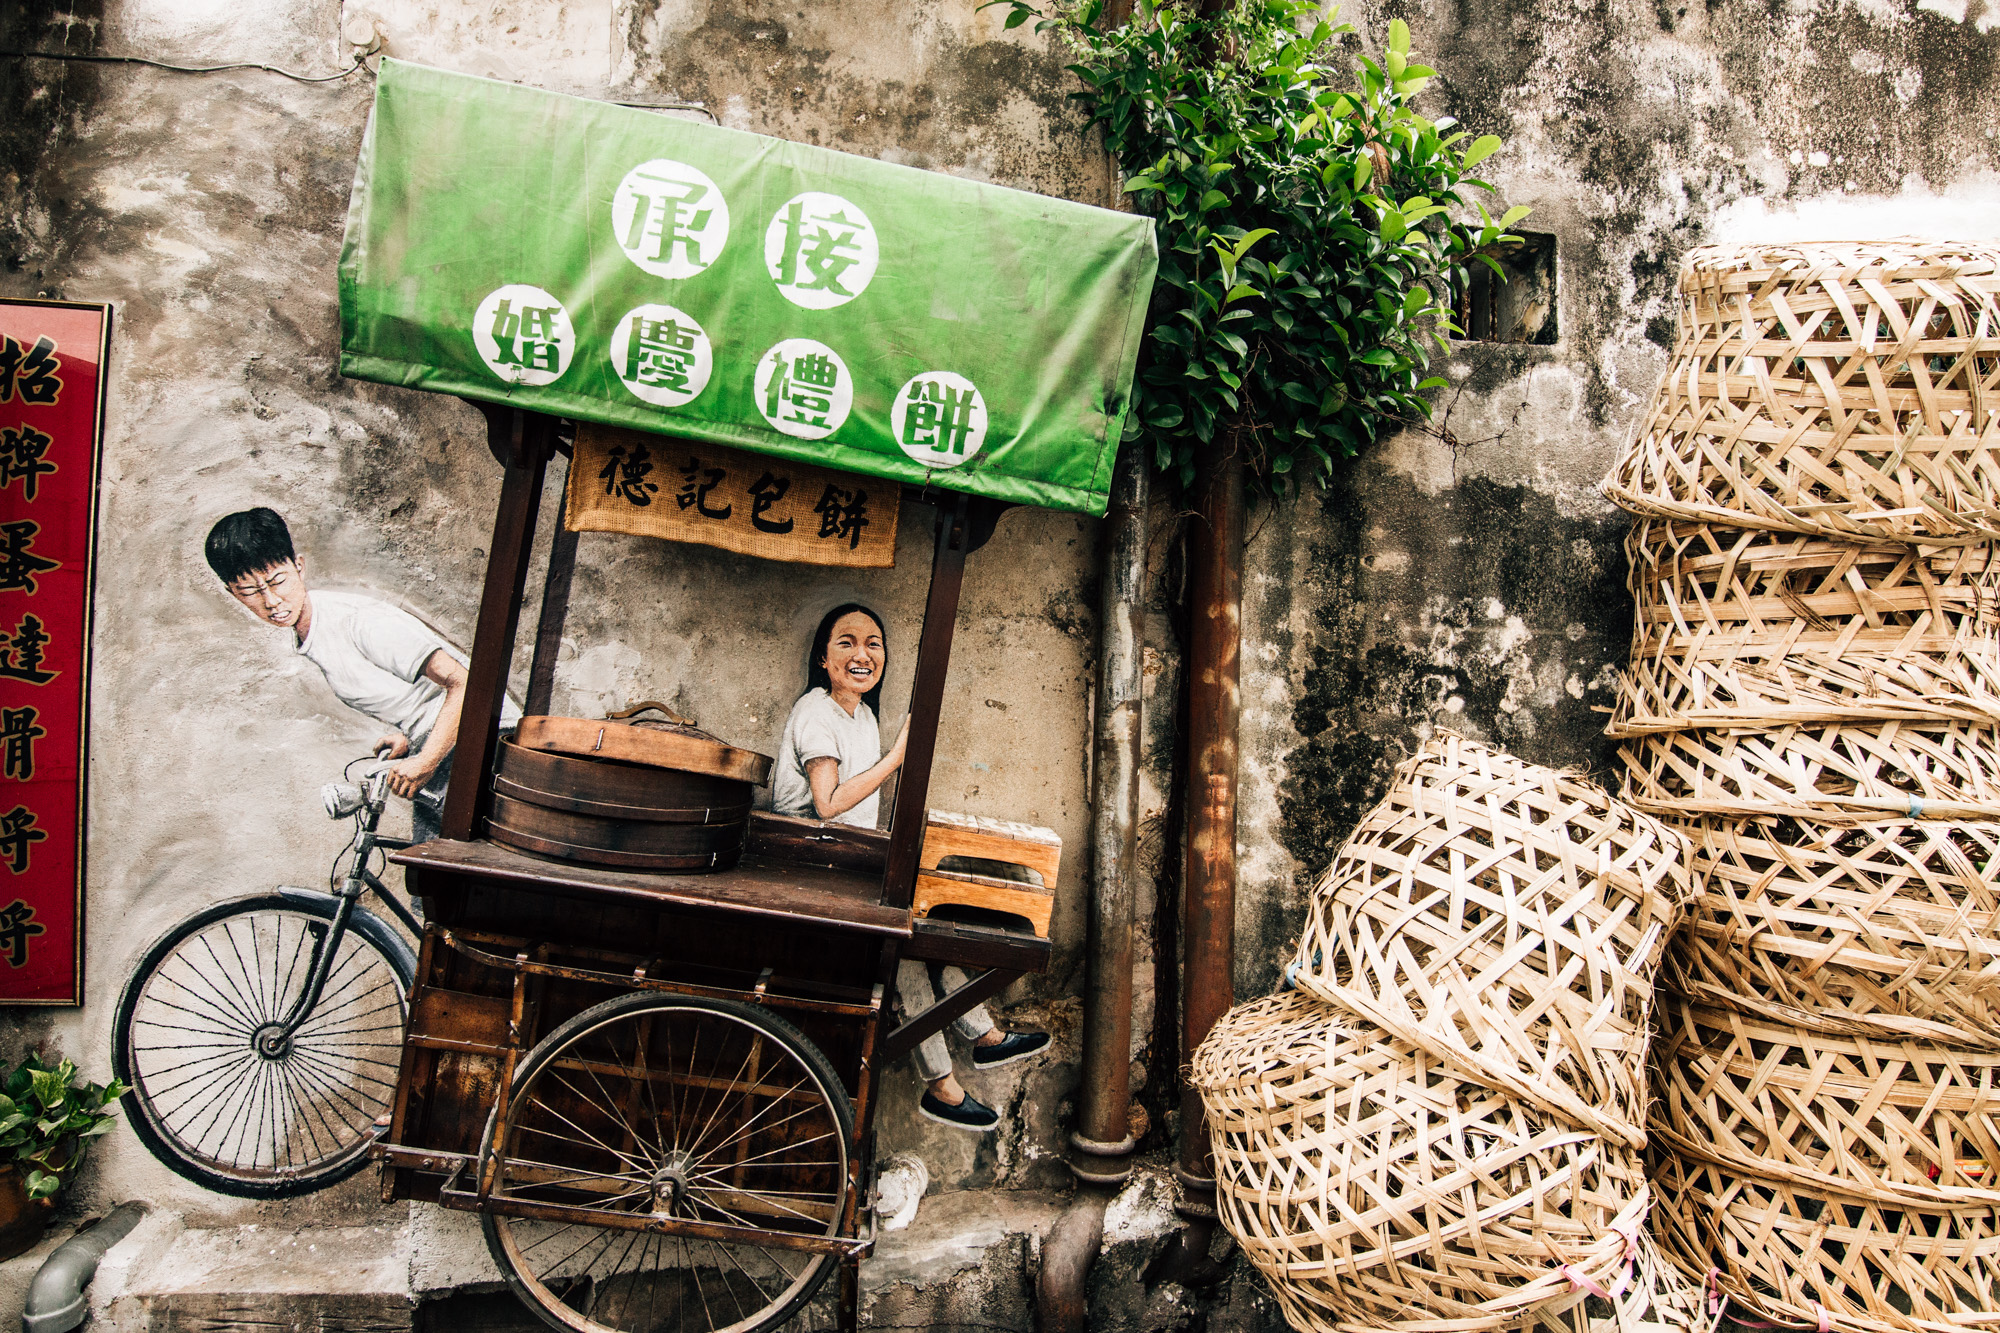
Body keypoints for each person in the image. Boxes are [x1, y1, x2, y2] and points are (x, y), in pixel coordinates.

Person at [773, 603, 1049, 1132]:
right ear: (823, 658)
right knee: (901, 951)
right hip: (806, 867)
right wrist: (898, 757)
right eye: (846, 642)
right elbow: (827, 804)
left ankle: (976, 1044)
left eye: (873, 643)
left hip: (849, 865)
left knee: (920, 934)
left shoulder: (865, 716)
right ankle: (948, 1078)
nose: (861, 654)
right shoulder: (816, 711)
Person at [204, 507, 519, 843]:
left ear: (299, 567)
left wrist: (426, 758)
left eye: (277, 581)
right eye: (250, 591)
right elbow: (422, 696)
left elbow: (468, 684)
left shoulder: (357, 621)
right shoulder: (312, 635)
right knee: (429, 876)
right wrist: (413, 735)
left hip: (487, 746)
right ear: (232, 593)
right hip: (451, 742)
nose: (271, 601)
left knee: (439, 876)